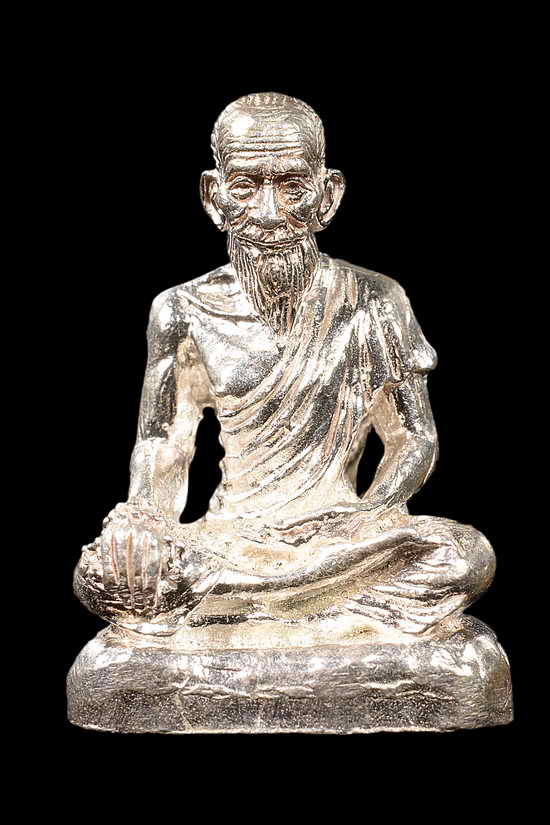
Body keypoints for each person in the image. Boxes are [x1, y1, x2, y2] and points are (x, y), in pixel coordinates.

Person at [74, 93, 495, 640]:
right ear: (214, 196)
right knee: (104, 575)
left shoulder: (374, 301)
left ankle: (240, 603)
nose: (270, 214)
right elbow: (165, 443)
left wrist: (368, 514)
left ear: (328, 195)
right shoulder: (181, 310)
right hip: (230, 536)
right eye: (245, 186)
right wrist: (143, 523)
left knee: (464, 556)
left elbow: (413, 439)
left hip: (342, 534)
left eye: (293, 186)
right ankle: (306, 602)